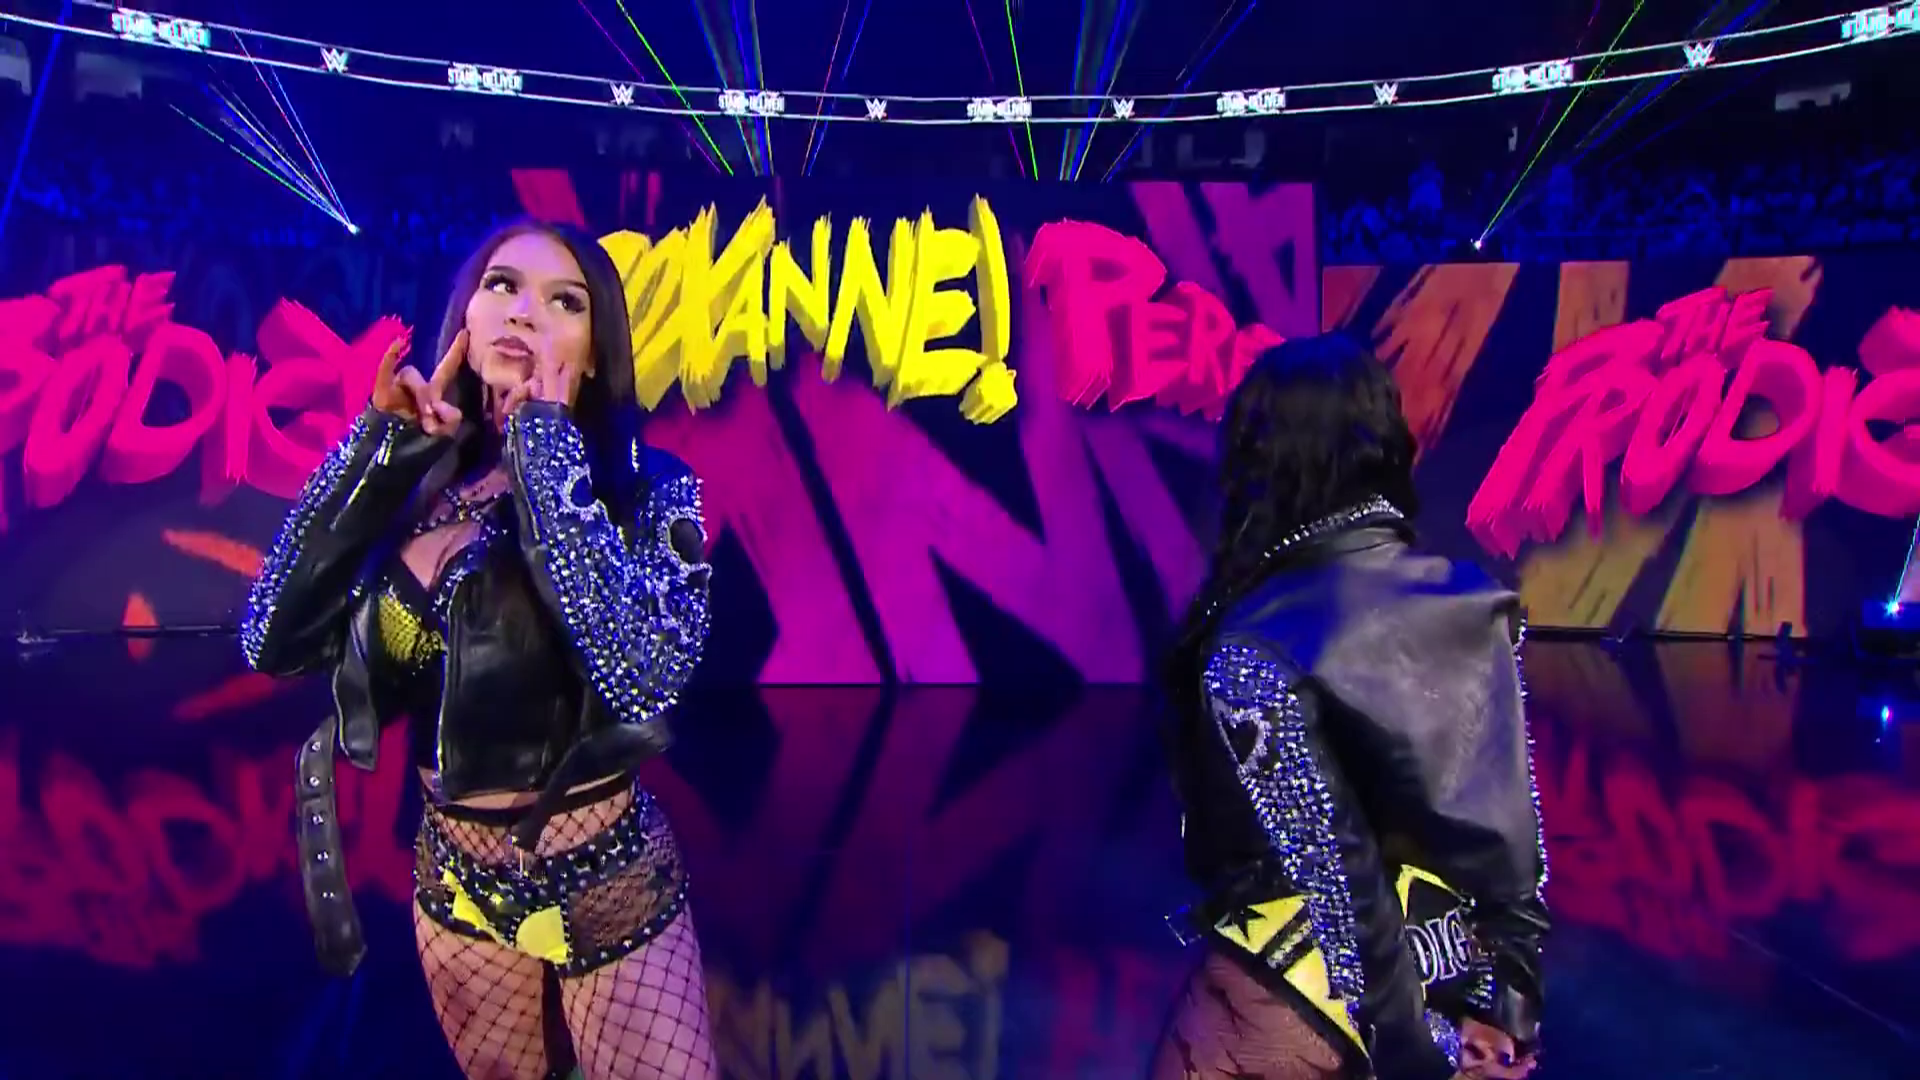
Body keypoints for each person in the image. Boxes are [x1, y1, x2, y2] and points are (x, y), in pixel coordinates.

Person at [240, 219, 716, 1080]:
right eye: (503, 286)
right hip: (456, 884)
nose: (525, 313)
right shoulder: (422, 482)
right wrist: (382, 448)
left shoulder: (648, 485)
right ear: (466, 314)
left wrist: (545, 447)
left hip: (604, 877)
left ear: (596, 353)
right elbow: (271, 638)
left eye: (564, 301)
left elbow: (644, 673)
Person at [1151, 334, 1547, 1080]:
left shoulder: (1253, 641)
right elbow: (1510, 841)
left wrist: (1415, 1051)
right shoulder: (1476, 602)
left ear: (1259, 462)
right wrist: (1507, 1015)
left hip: (1294, 999)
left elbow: (1337, 874)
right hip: (1452, 975)